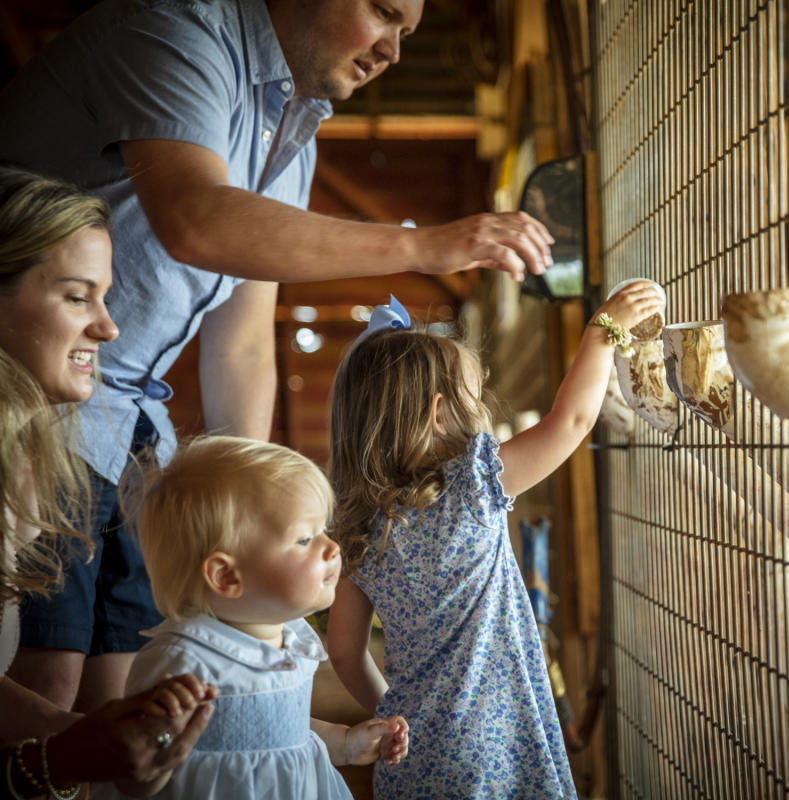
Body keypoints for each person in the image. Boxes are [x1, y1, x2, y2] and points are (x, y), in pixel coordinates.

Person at [0, 0, 555, 713]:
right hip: (32, 400)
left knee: (130, 676)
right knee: (48, 677)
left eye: (407, 34)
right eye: (384, 13)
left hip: (129, 422)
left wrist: (251, 494)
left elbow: (241, 337)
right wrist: (424, 244)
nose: (392, 51)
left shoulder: (294, 134)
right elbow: (197, 220)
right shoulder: (171, 29)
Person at [324, 282, 663, 798]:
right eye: (472, 395)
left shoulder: (360, 532)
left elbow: (345, 653)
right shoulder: (473, 487)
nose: (480, 404)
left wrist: (394, 719)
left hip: (413, 758)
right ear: (439, 414)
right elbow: (570, 422)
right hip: (497, 745)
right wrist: (604, 329)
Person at [0, 164, 216, 798]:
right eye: (76, 297)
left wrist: (77, 736)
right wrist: (55, 761)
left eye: (105, 297)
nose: (109, 327)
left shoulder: (31, 459)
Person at [94, 435, 409, 800]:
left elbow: (273, 730)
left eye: (323, 529)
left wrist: (345, 742)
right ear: (227, 577)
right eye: (305, 539)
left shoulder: (290, 639)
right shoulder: (183, 664)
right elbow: (137, 767)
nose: (332, 546)